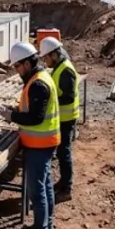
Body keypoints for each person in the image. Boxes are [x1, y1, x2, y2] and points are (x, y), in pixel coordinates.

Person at [0, 42, 60, 229]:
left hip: (39, 144)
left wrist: (12, 116)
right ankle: (45, 225)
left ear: (26, 63)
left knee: (37, 191)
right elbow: (32, 109)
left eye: (17, 66)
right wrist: (16, 110)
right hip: (43, 142)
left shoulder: (38, 84)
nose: (16, 71)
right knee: (46, 185)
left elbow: (35, 117)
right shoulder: (38, 78)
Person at [39, 37, 78, 202]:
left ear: (54, 55)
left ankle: (66, 188)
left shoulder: (66, 70)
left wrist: (50, 101)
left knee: (64, 153)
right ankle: (63, 182)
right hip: (62, 118)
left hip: (66, 119)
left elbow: (68, 97)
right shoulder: (60, 67)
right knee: (62, 154)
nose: (46, 61)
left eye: (46, 57)